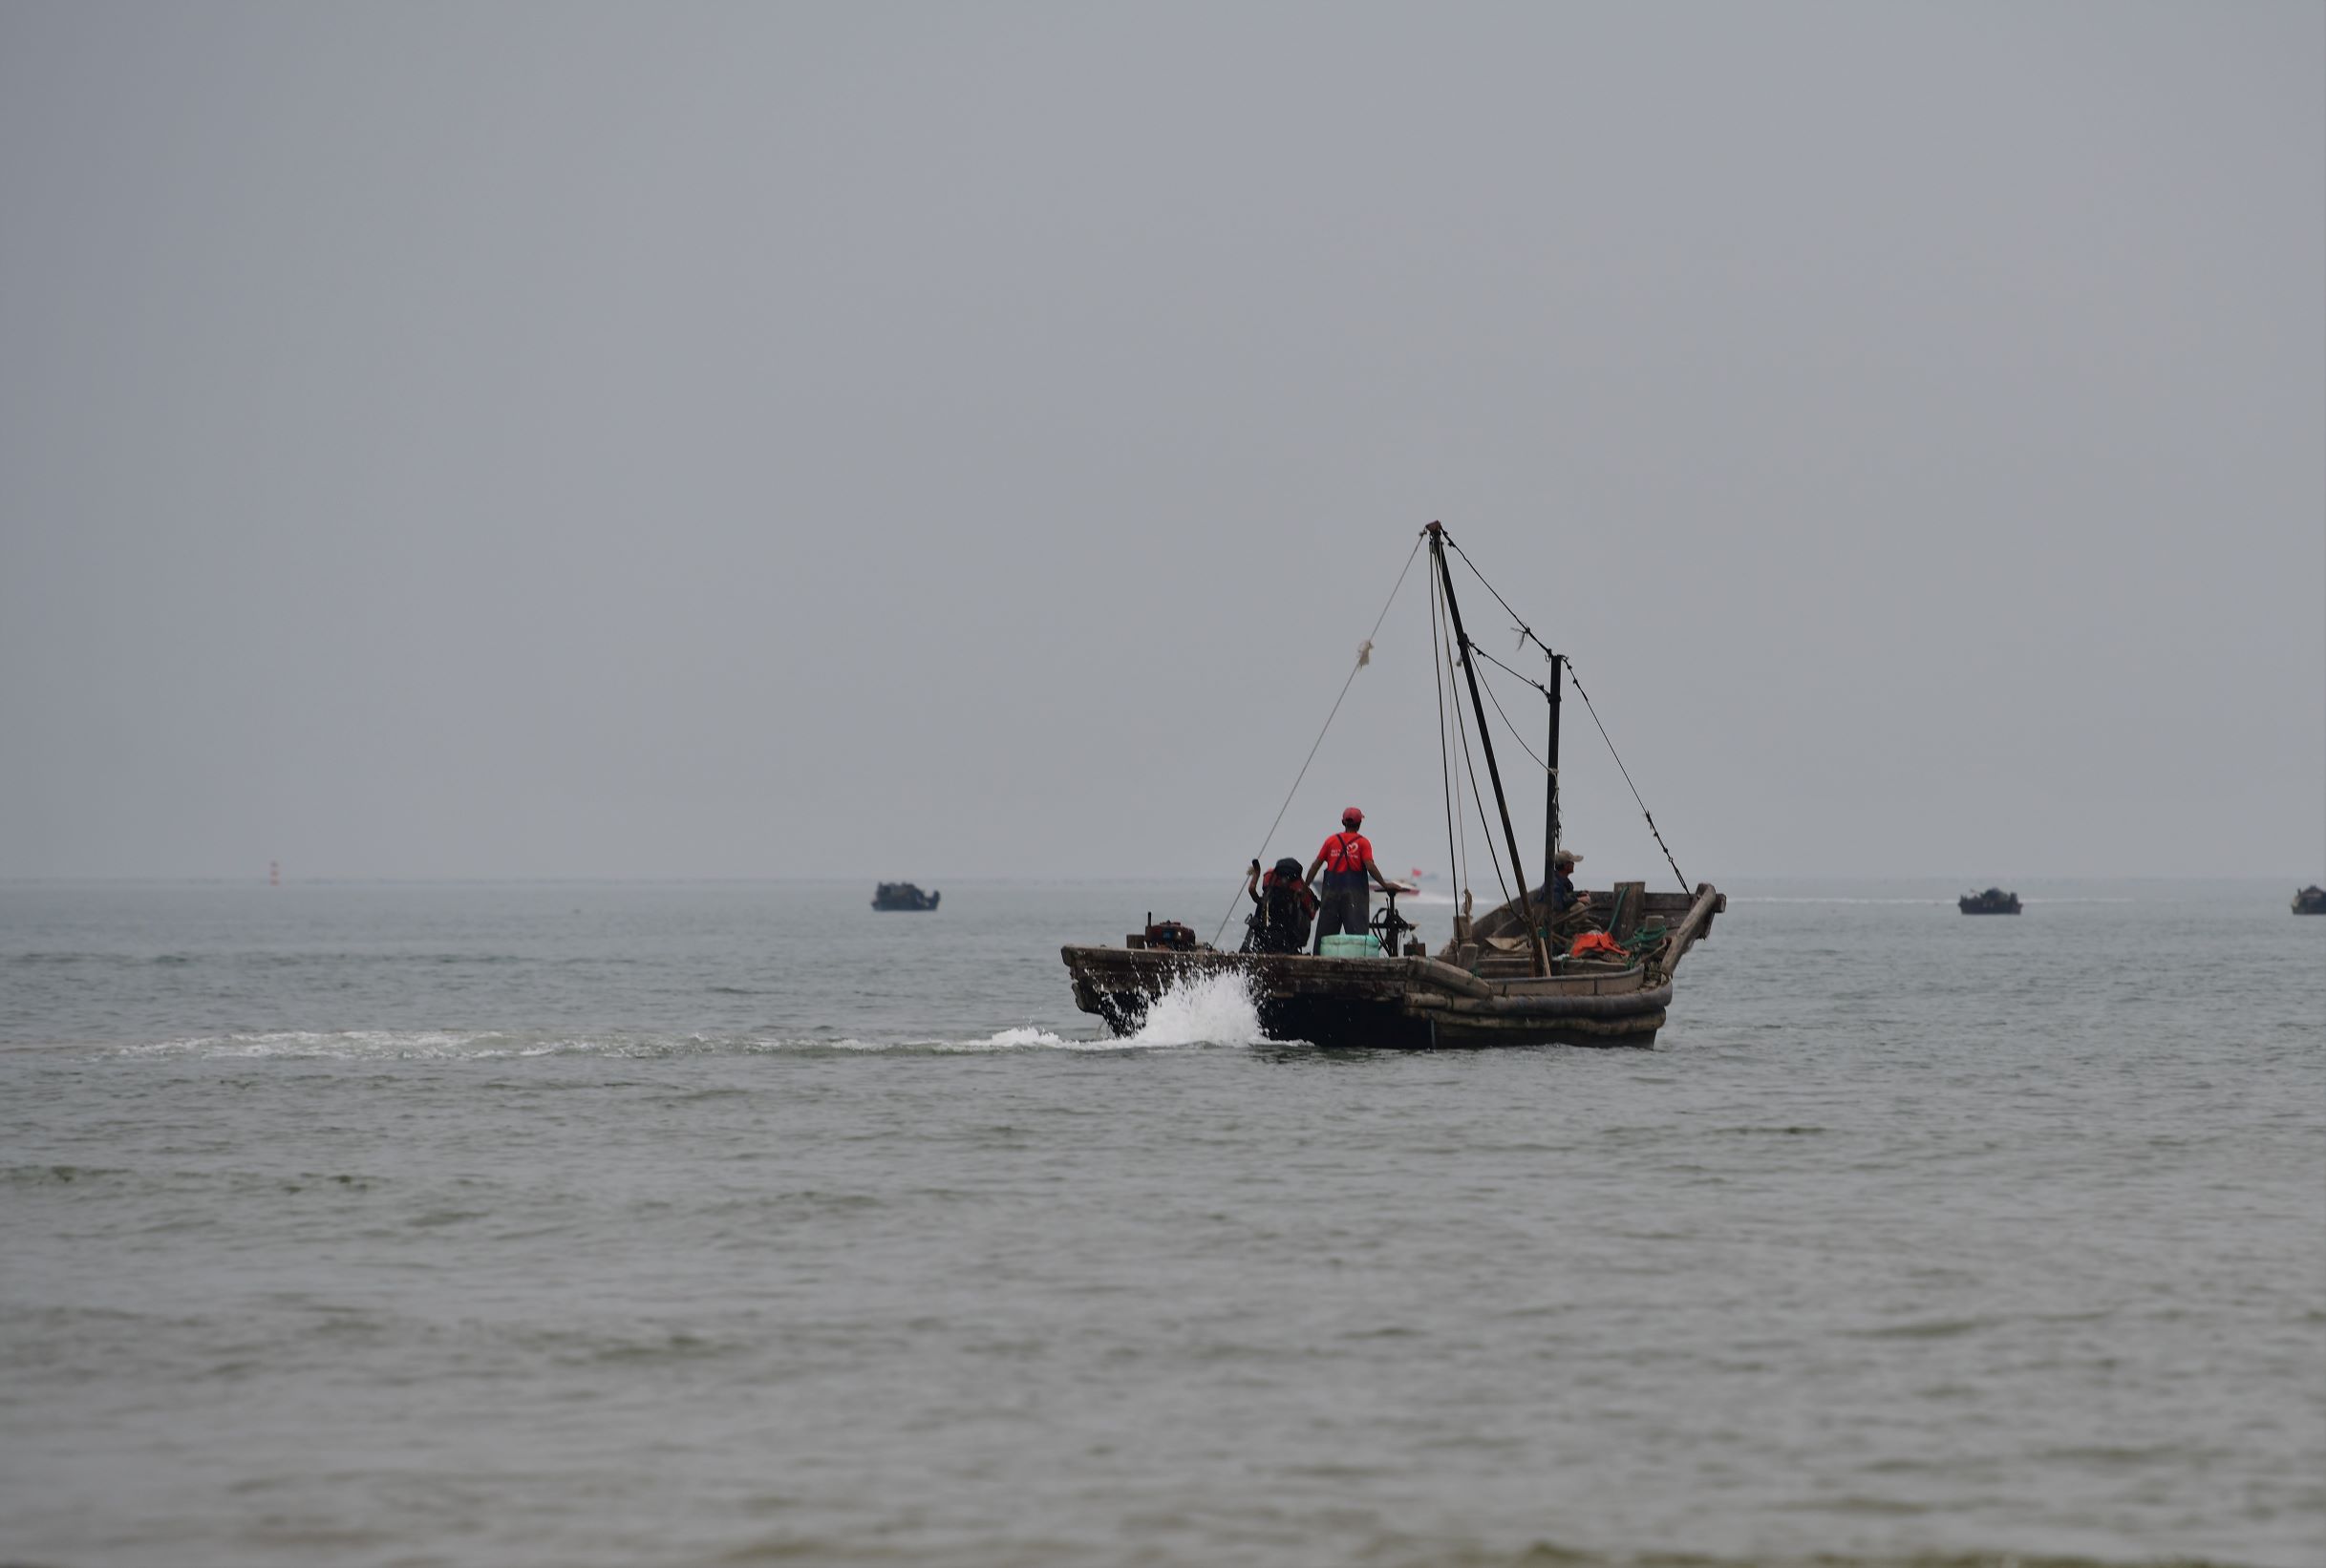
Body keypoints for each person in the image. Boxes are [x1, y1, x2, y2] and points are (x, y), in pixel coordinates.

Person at [1306, 806, 1410, 953]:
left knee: (1325, 937)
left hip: (1331, 895)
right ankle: (1359, 962)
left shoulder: (1331, 841)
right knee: (1358, 938)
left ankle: (1318, 961)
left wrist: (1305, 886)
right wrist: (1385, 885)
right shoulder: (1363, 843)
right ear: (1360, 824)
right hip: (1354, 896)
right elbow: (1370, 867)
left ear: (1343, 822)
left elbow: (1315, 865)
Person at [1242, 857, 1317, 955]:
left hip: (1269, 941)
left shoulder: (1271, 889)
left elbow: (1253, 891)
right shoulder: (1297, 891)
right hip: (1286, 944)